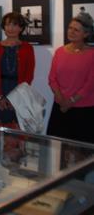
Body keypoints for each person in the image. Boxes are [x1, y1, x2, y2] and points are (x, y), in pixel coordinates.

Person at [47, 13, 94, 144]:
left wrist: (70, 101)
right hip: (60, 108)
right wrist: (61, 100)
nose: (71, 32)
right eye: (70, 28)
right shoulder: (59, 52)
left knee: (83, 154)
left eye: (76, 30)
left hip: (83, 111)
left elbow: (90, 84)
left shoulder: (92, 55)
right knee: (58, 151)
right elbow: (52, 79)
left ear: (85, 34)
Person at [0, 12, 35, 129]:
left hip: (19, 92)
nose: (11, 28)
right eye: (8, 25)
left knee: (17, 136)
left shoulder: (28, 48)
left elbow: (29, 76)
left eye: (15, 25)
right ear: (4, 27)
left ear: (21, 28)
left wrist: (17, 99)